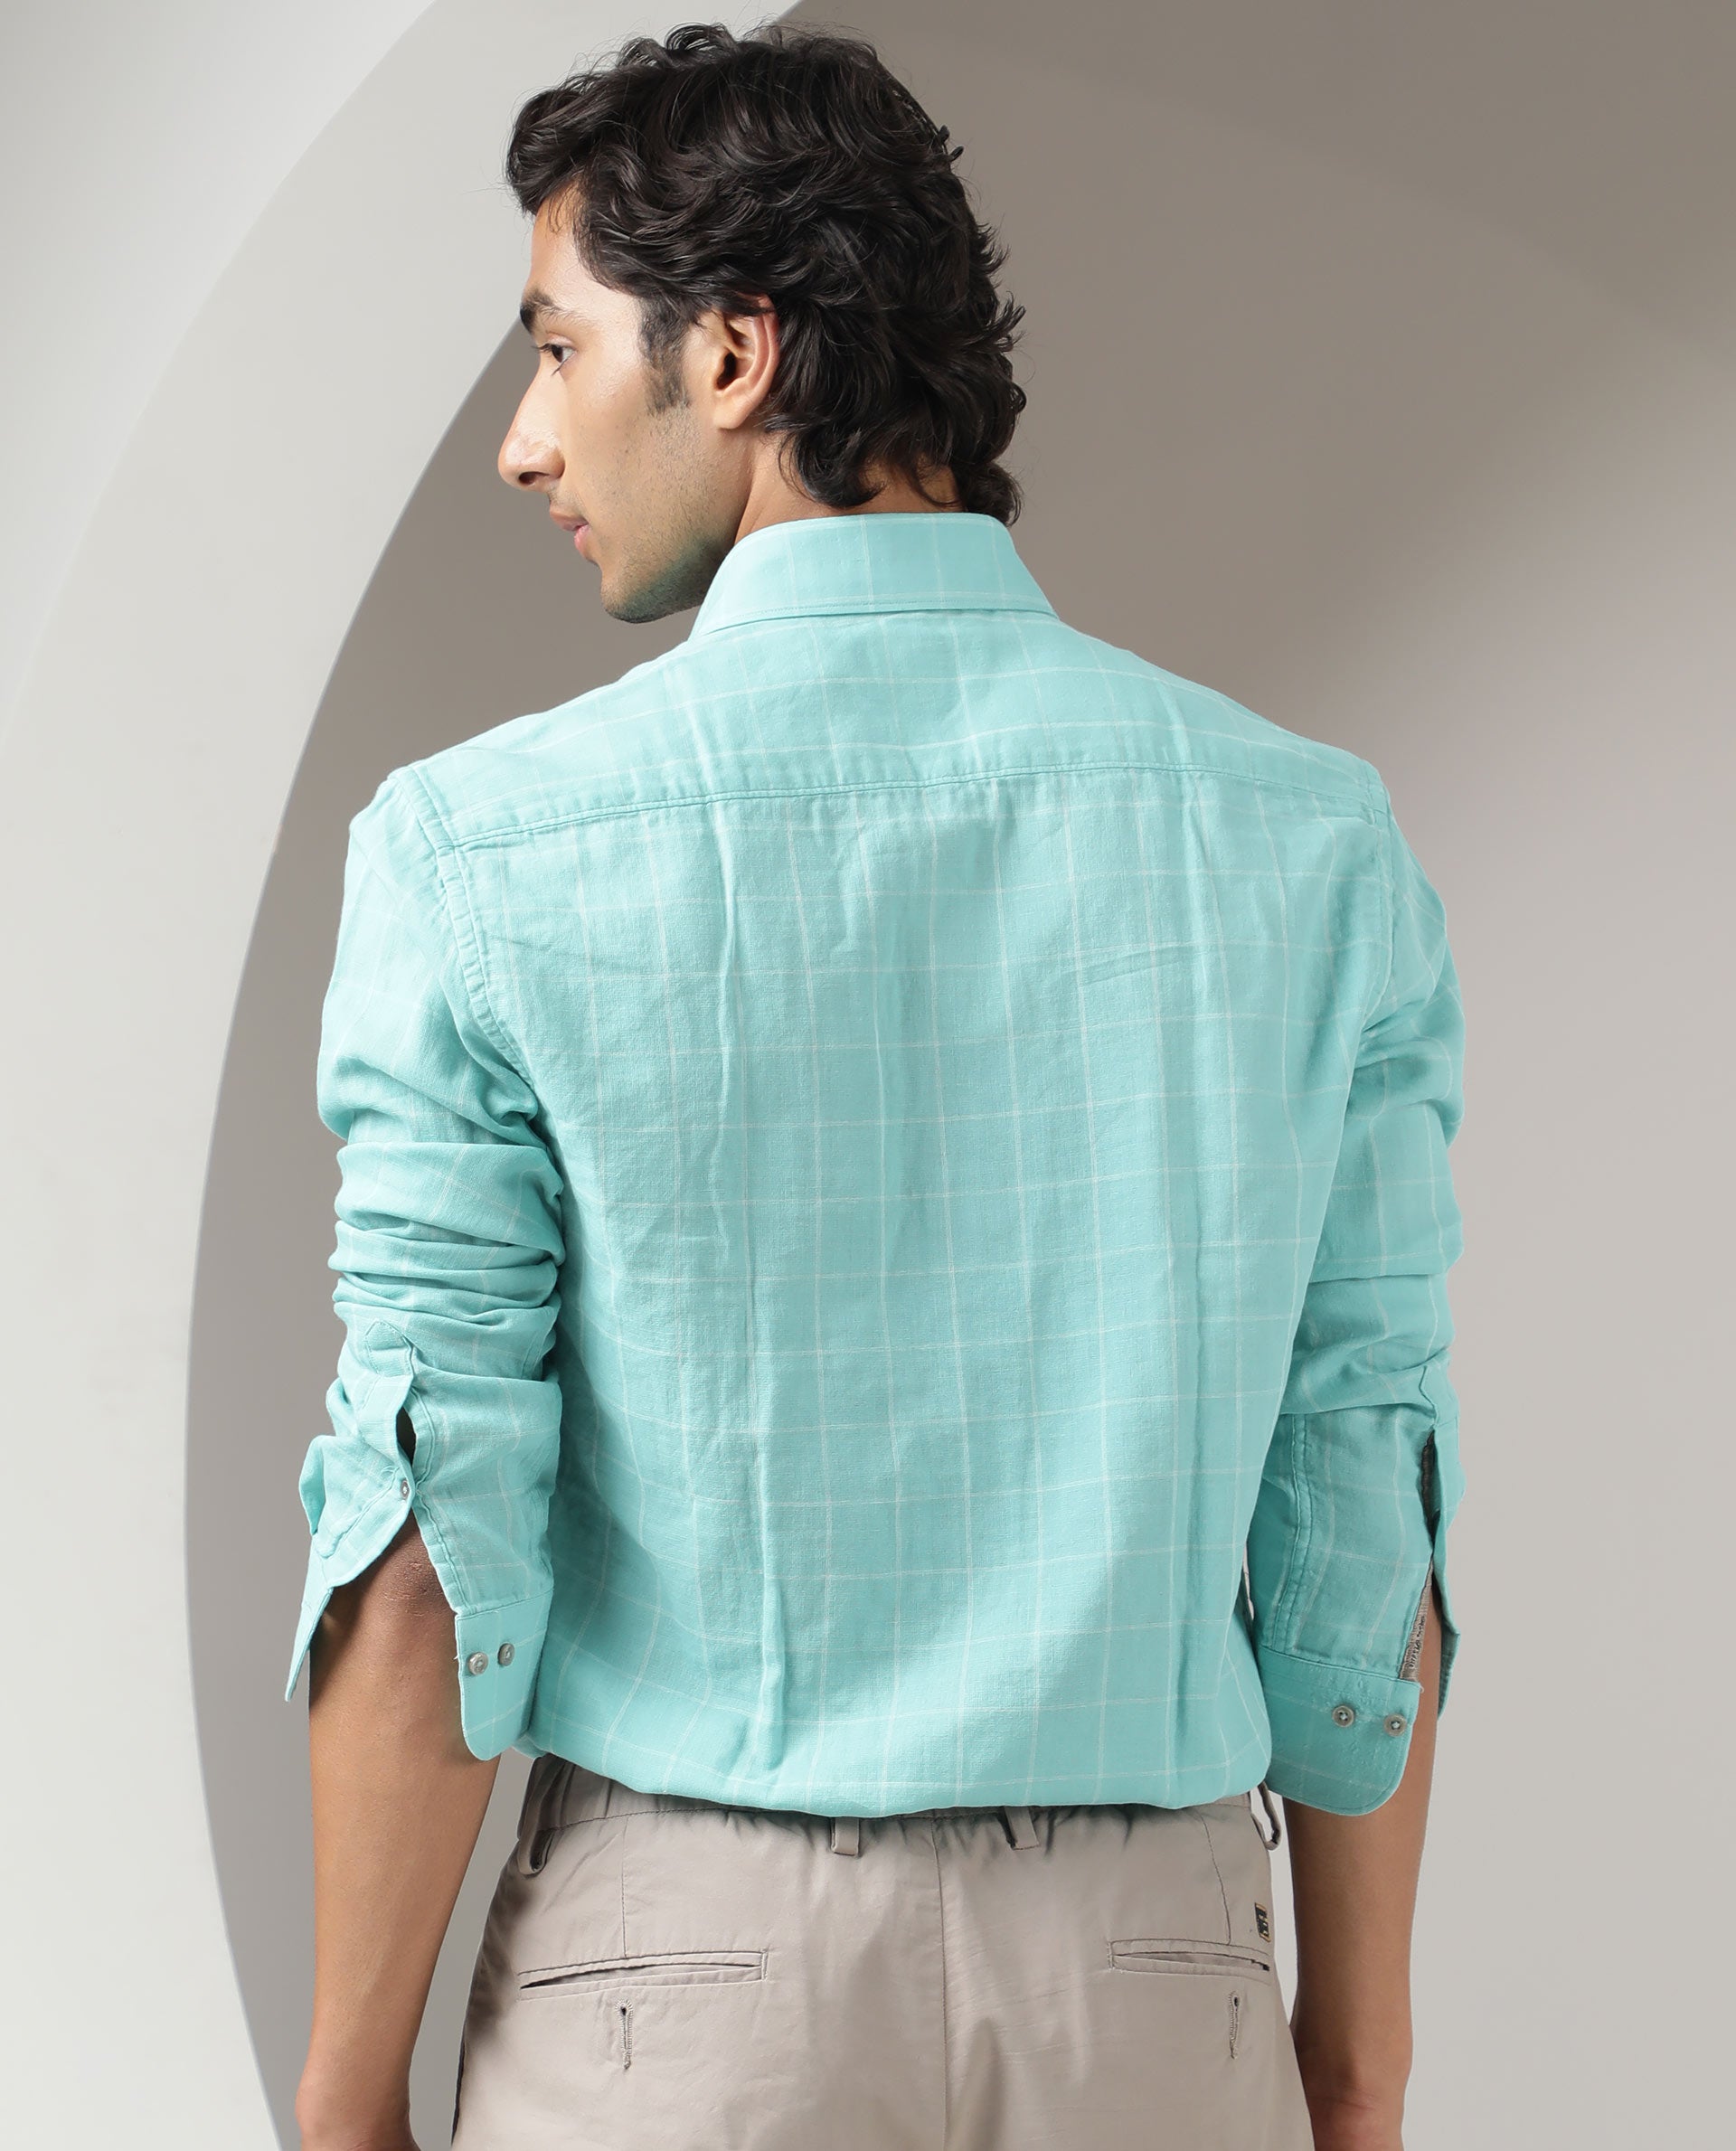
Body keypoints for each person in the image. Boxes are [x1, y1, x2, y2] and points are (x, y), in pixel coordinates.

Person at [284, 23, 1465, 2151]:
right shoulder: (1310, 843)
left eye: (558, 350)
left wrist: (347, 2094)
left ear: (735, 353)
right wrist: (1354, 2072)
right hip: (1155, 1980)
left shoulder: (480, 855)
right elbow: (1355, 1502)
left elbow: (436, 1535)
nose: (526, 444)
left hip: (681, 1986)